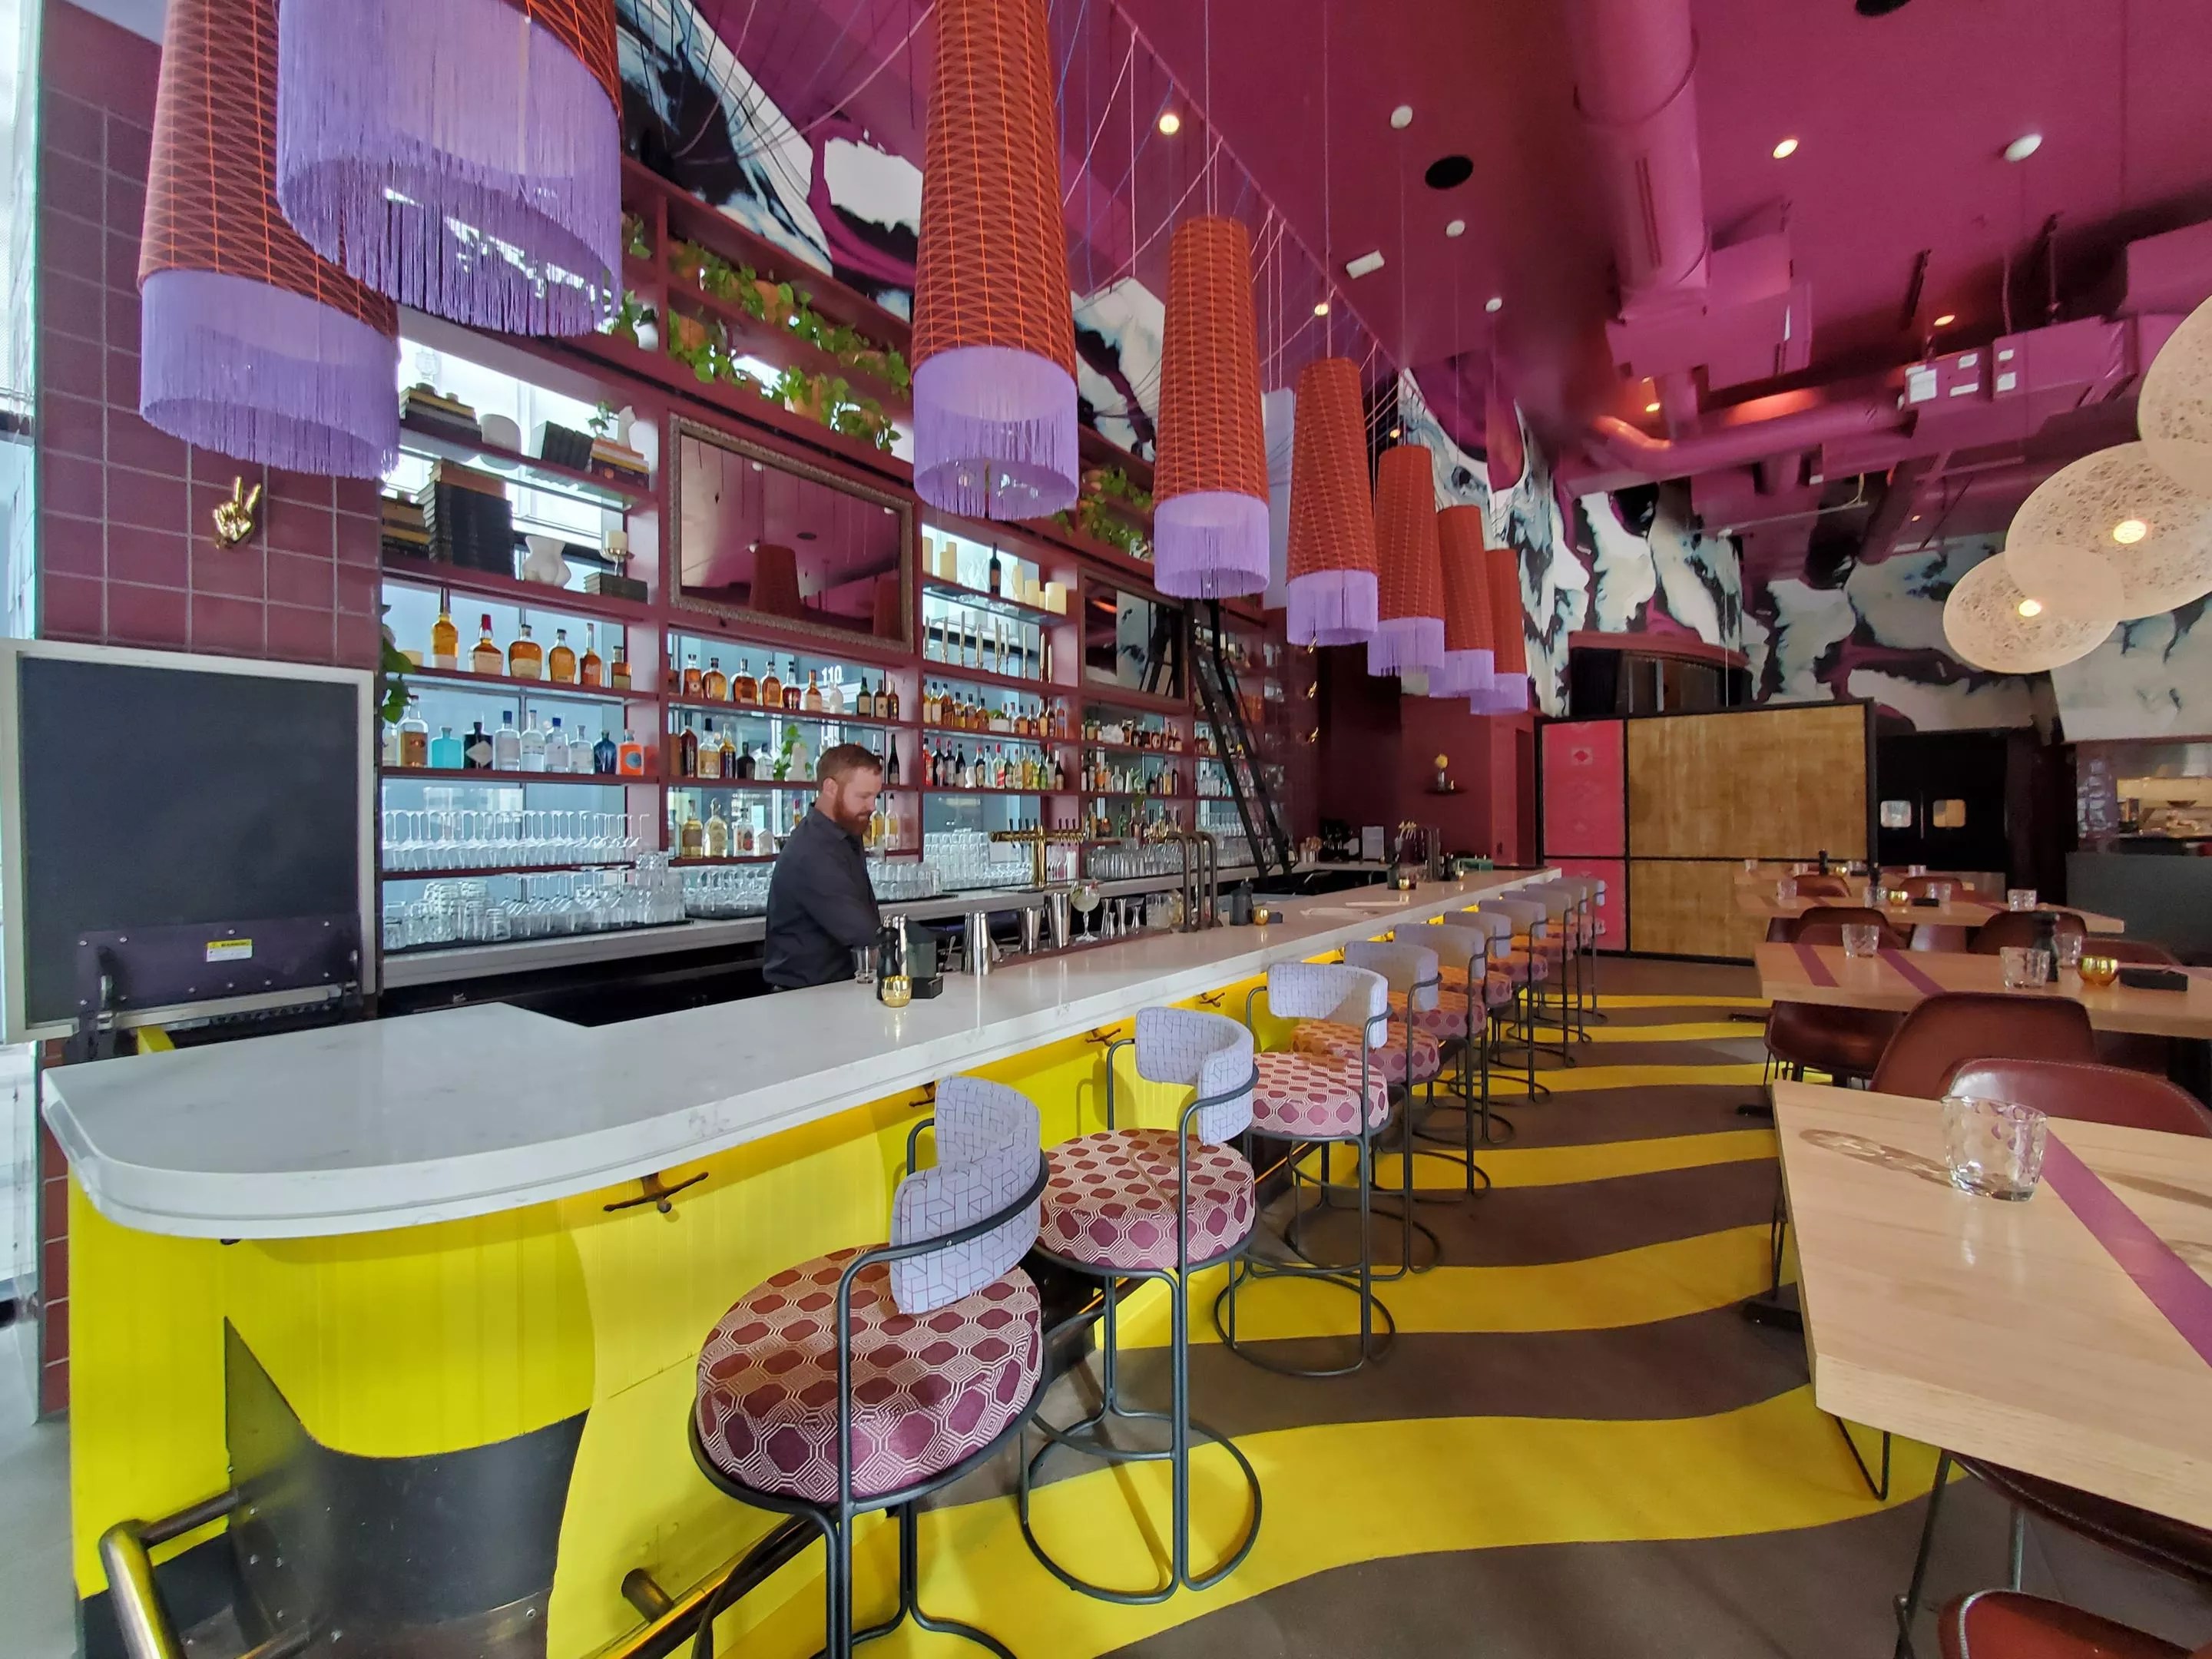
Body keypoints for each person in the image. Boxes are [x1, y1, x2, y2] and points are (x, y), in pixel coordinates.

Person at [762, 743, 885, 990]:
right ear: (830, 788)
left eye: (876, 797)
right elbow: (863, 933)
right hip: (803, 1001)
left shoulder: (845, 832)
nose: (872, 807)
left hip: (835, 992)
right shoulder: (812, 851)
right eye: (863, 796)